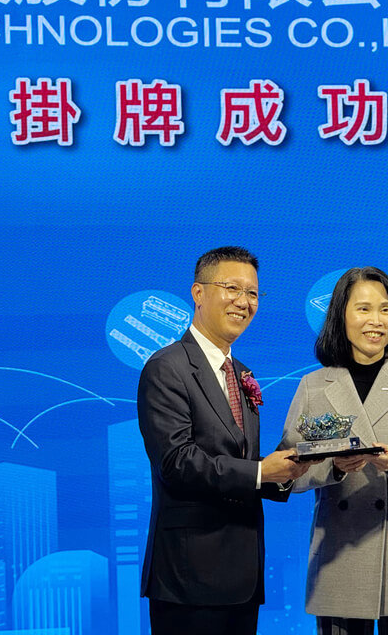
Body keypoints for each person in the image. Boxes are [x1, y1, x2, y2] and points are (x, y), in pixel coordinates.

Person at [138, 246, 309, 635]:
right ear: (198, 293)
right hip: (188, 576)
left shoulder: (242, 372)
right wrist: (261, 472)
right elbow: (176, 463)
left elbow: (241, 462)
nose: (244, 302)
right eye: (232, 288)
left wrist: (288, 470)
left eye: (253, 293)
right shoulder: (167, 367)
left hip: (242, 573)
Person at [281, 266, 388, 635]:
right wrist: (335, 467)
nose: (376, 320)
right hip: (339, 554)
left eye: (385, 309)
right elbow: (288, 474)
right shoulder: (314, 386)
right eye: (363, 309)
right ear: (340, 316)